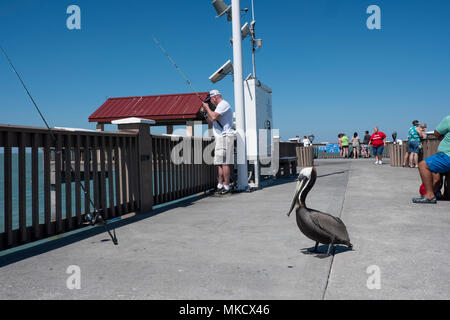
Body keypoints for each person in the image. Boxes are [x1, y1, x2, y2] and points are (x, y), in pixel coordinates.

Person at [201, 89, 234, 195]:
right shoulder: (218, 108)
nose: (210, 102)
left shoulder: (223, 104)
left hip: (224, 137)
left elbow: (214, 116)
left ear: (215, 97)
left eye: (210, 100)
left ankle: (226, 186)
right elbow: (211, 121)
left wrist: (206, 107)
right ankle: (220, 185)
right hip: (220, 138)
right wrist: (205, 113)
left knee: (224, 163)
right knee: (219, 163)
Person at [413, 115, 450, 203]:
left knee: (423, 165)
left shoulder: (448, 119)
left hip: (447, 155)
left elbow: (436, 133)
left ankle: (429, 195)